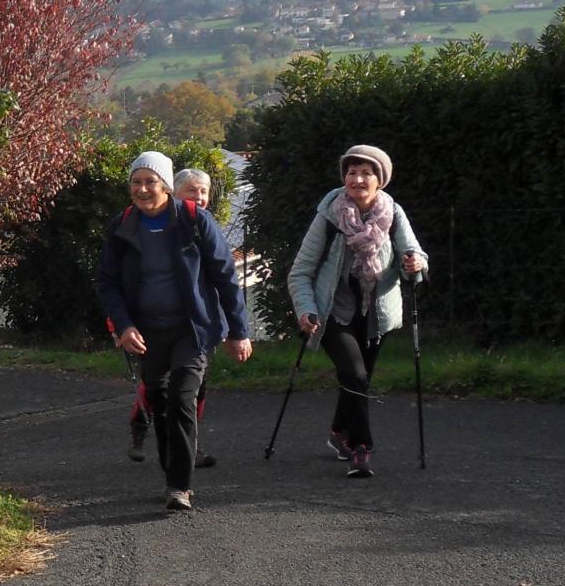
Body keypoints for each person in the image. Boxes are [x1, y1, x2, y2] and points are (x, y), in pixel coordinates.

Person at [96, 150, 253, 512]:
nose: (142, 188)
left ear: (166, 185)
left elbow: (225, 277)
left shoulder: (195, 220)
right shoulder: (122, 225)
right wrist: (124, 325)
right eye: (136, 182)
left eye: (150, 181)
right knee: (159, 401)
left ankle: (179, 486)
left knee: (182, 397)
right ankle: (173, 473)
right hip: (146, 332)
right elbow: (108, 283)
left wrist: (237, 331)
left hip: (192, 329)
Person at [286, 144, 427, 479]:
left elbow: (414, 258)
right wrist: (306, 310)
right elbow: (300, 271)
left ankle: (338, 432)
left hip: (377, 312)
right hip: (332, 311)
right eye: (351, 172)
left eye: (366, 173)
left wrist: (415, 264)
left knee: (358, 380)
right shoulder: (330, 215)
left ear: (380, 181)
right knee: (356, 375)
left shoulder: (393, 213)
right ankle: (362, 449)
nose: (357, 179)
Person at [127, 167, 220, 469]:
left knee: (193, 388)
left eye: (204, 191)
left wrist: (232, 327)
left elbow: (223, 277)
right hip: (157, 326)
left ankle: (185, 449)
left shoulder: (203, 224)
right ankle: (144, 428)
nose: (200, 197)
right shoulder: (146, 225)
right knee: (162, 389)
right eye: (192, 190)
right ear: (173, 192)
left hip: (198, 326)